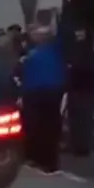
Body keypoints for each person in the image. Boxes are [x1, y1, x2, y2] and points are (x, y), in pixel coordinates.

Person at [19, 25, 66, 175]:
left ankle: (46, 159)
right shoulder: (35, 53)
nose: (35, 37)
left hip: (44, 92)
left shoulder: (53, 50)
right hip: (40, 91)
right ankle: (40, 157)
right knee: (40, 126)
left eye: (38, 35)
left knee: (44, 126)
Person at [65, 27, 94, 155]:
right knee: (84, 120)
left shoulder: (73, 54)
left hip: (78, 90)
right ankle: (82, 146)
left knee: (77, 120)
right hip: (87, 90)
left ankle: (77, 145)